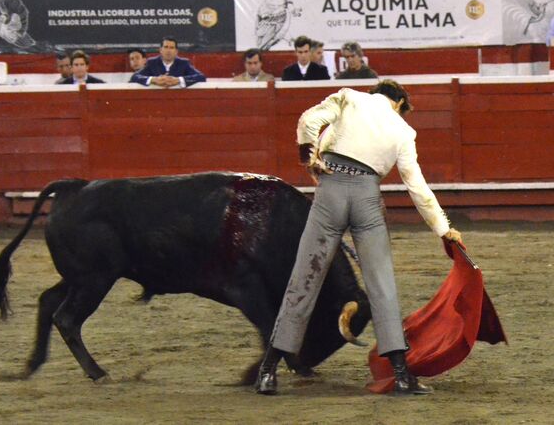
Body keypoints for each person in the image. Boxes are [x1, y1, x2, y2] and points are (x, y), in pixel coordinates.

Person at [255, 79, 462, 396]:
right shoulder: (403, 131)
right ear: (398, 103)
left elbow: (308, 121)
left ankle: (268, 372)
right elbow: (417, 187)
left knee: (304, 280)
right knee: (382, 285)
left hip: (330, 194)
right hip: (367, 199)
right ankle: (401, 375)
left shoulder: (349, 98)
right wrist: (443, 228)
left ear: (375, 93)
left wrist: (309, 157)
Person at [130, 36, 206, 88]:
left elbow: (201, 77)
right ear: (160, 50)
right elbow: (135, 77)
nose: (168, 50)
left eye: (171, 48)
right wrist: (154, 80)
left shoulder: (184, 63)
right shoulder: (152, 63)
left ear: (176, 51)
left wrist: (178, 80)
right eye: (166, 47)